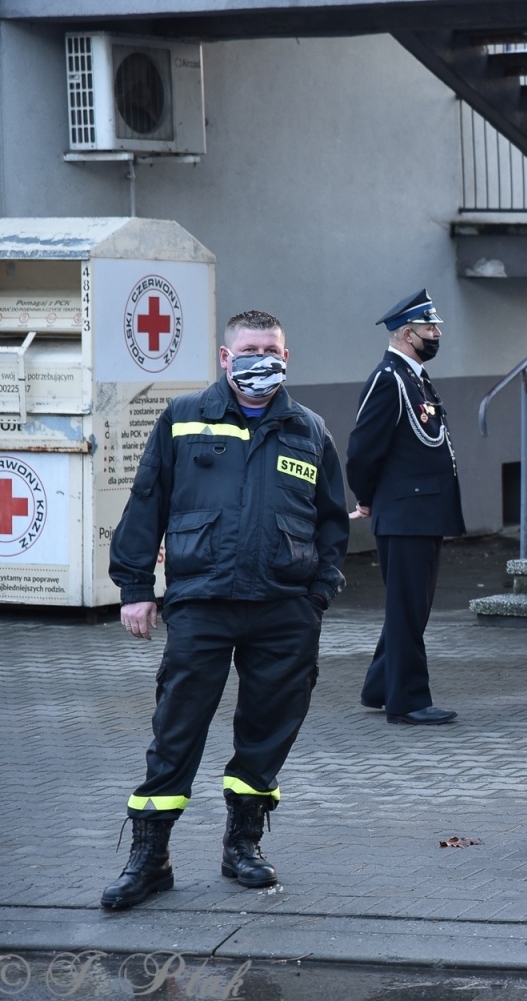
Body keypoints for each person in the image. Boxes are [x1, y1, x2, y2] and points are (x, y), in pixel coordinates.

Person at [102, 310, 349, 911]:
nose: (261, 357)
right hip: (202, 603)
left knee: (268, 731)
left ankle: (242, 845)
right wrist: (136, 586)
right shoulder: (185, 418)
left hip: (283, 609)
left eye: (272, 348)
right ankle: (150, 859)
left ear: (286, 357)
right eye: (250, 348)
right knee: (176, 730)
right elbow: (146, 501)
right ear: (224, 356)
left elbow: (332, 522)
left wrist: (317, 595)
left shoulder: (308, 429)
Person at [347, 289, 467, 726]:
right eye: (429, 328)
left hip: (420, 512)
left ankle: (382, 686)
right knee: (407, 608)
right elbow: (363, 450)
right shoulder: (390, 378)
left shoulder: (413, 376)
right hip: (405, 513)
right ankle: (408, 700)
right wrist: (365, 497)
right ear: (406, 333)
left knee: (411, 607)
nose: (436, 334)